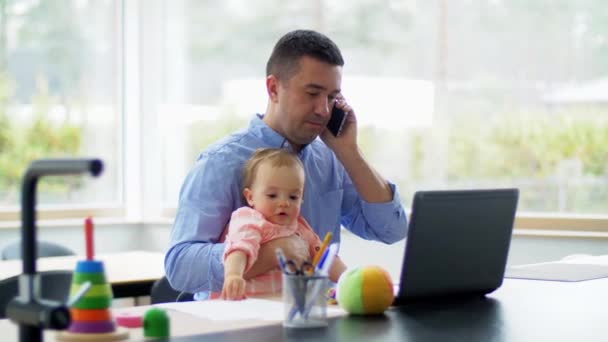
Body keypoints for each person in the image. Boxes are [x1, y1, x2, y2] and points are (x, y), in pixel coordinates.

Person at [166, 29, 408, 299]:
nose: (323, 110)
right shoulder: (220, 162)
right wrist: (270, 251)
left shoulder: (330, 158)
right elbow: (180, 266)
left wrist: (349, 152)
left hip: (317, 320)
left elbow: (391, 230)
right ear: (273, 88)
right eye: (312, 93)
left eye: (331, 97)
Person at [219, 148, 347, 300]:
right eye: (272, 195)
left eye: (293, 197)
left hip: (285, 305)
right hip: (249, 303)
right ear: (250, 197)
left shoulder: (299, 226)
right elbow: (239, 249)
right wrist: (233, 275)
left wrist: (349, 278)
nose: (284, 203)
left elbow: (324, 257)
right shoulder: (249, 219)